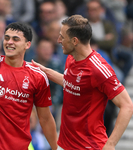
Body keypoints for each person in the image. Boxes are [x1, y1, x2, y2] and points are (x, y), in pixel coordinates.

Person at [32, 15, 133, 150]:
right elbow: (71, 84)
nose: (58, 40)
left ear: (74, 41)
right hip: (66, 144)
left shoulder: (98, 69)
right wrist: (45, 71)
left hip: (89, 146)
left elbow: (127, 105)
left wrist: (111, 144)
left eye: (62, 37)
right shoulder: (71, 58)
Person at [0, 22, 57, 150]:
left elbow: (45, 119)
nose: (9, 42)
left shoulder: (37, 76)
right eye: (6, 38)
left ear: (28, 45)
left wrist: (56, 148)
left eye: (15, 39)